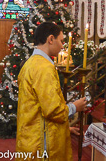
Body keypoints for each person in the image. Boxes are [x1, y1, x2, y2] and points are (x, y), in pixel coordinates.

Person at [16, 22, 87, 160]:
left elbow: (36, 107)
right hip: (42, 144)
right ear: (50, 39)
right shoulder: (44, 68)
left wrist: (65, 129)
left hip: (31, 135)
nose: (62, 45)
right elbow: (52, 110)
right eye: (61, 40)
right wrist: (75, 107)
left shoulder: (30, 63)